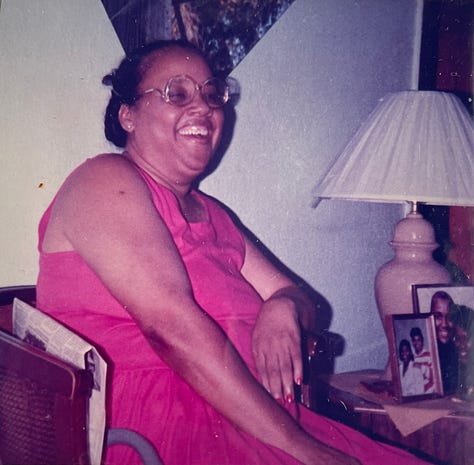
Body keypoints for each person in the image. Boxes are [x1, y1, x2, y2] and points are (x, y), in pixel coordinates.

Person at [36, 40, 431, 465]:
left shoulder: (213, 214)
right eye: (178, 93)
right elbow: (172, 330)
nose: (203, 108)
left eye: (211, 94)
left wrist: (281, 308)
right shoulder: (103, 179)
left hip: (256, 420)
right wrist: (305, 451)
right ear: (127, 115)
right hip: (156, 430)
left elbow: (303, 302)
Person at [430, 291, 459, 394]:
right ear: (429, 320)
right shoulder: (425, 355)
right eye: (438, 317)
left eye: (449, 317)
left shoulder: (459, 353)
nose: (444, 324)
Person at [410, 327, 434, 393]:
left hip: (429, 392)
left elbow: (435, 376)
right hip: (416, 393)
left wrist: (422, 368)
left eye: (418, 340)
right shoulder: (411, 358)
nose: (416, 343)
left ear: (422, 341)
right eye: (414, 340)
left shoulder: (429, 355)